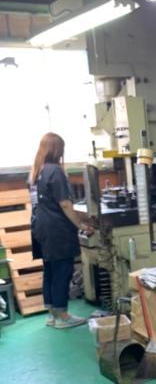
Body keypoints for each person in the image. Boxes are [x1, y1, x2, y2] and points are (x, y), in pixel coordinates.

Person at [30, 133, 93, 329]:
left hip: (40, 226)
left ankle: (52, 315)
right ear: (58, 150)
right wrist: (81, 226)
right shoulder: (55, 171)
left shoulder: (36, 170)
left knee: (49, 270)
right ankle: (63, 316)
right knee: (62, 271)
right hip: (57, 229)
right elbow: (65, 204)